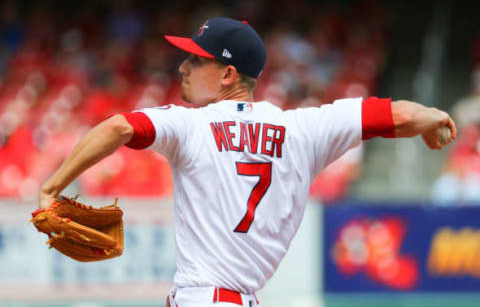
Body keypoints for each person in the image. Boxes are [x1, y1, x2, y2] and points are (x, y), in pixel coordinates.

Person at [38, 17, 456, 307]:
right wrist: (433, 119)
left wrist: (53, 187)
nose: (182, 66)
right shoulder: (304, 130)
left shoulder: (190, 126)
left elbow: (116, 128)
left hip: (202, 297)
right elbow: (397, 114)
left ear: (227, 75)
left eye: (197, 59)